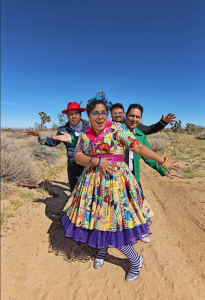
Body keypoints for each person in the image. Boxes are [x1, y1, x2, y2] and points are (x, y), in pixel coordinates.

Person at [55, 92, 180, 282]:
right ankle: (102, 249)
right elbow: (79, 157)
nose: (100, 116)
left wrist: (163, 160)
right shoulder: (85, 136)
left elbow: (137, 147)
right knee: (96, 221)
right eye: (95, 113)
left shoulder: (117, 130)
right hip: (92, 185)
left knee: (115, 226)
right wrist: (96, 161)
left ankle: (135, 259)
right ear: (88, 116)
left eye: (104, 112)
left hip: (116, 185)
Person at [124, 104, 182, 242]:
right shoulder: (115, 132)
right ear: (126, 115)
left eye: (137, 117)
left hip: (133, 177)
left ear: (141, 119)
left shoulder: (140, 135)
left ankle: (140, 231)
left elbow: (148, 157)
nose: (134, 119)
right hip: (115, 178)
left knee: (138, 204)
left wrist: (163, 170)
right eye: (131, 115)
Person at [24, 102, 89, 192]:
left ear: (80, 115)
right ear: (67, 116)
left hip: (88, 164)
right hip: (72, 165)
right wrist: (39, 135)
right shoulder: (63, 130)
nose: (74, 116)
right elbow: (52, 142)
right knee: (74, 192)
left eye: (76, 113)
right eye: (71, 114)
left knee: (88, 192)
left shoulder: (89, 127)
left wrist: (72, 139)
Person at [110, 102, 176, 135]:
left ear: (124, 114)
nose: (117, 115)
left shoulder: (135, 129)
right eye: (114, 113)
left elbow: (149, 129)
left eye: (120, 113)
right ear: (110, 114)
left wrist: (162, 123)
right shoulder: (106, 129)